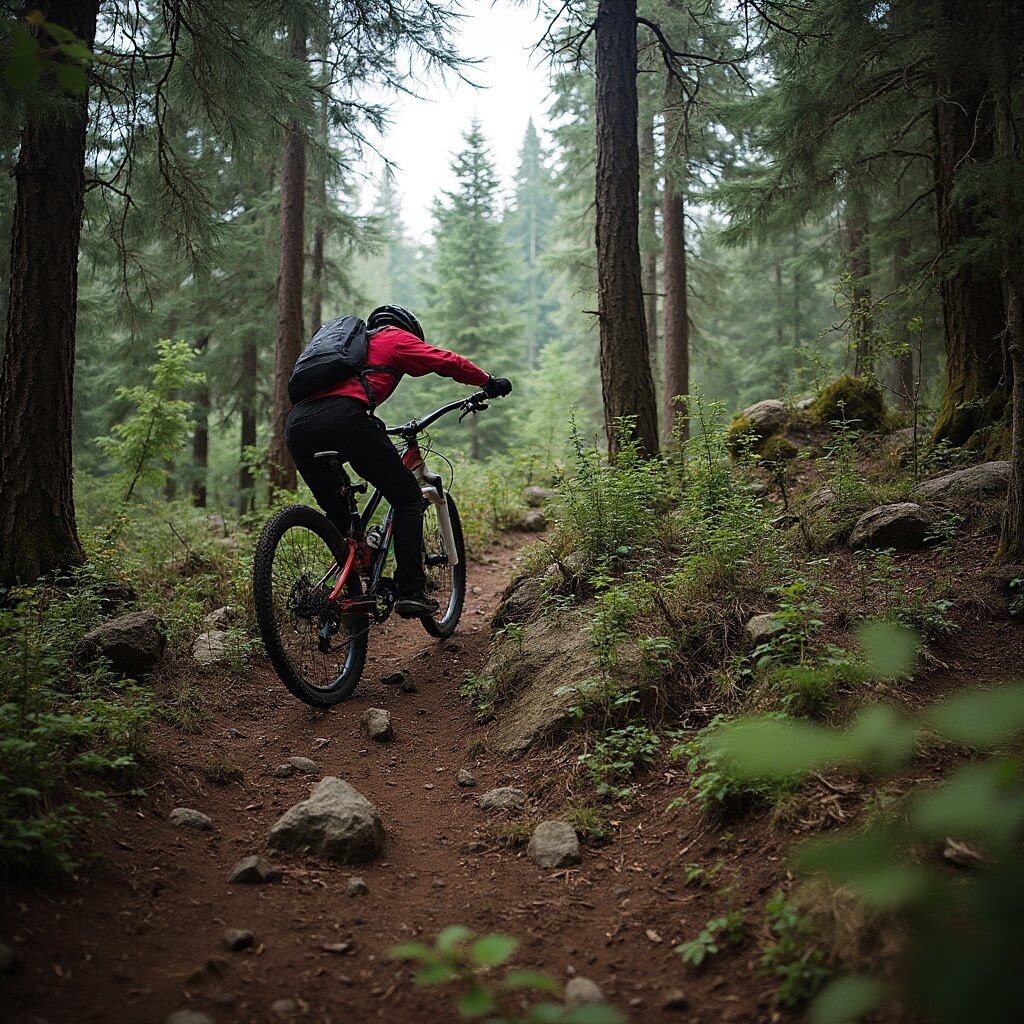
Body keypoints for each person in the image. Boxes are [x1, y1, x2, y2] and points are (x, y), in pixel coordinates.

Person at [285, 304, 512, 618]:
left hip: (297, 426)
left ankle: (339, 590)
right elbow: (445, 360)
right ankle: (410, 591)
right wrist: (486, 381)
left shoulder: (349, 350)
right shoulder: (393, 337)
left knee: (339, 513)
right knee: (407, 497)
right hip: (344, 418)